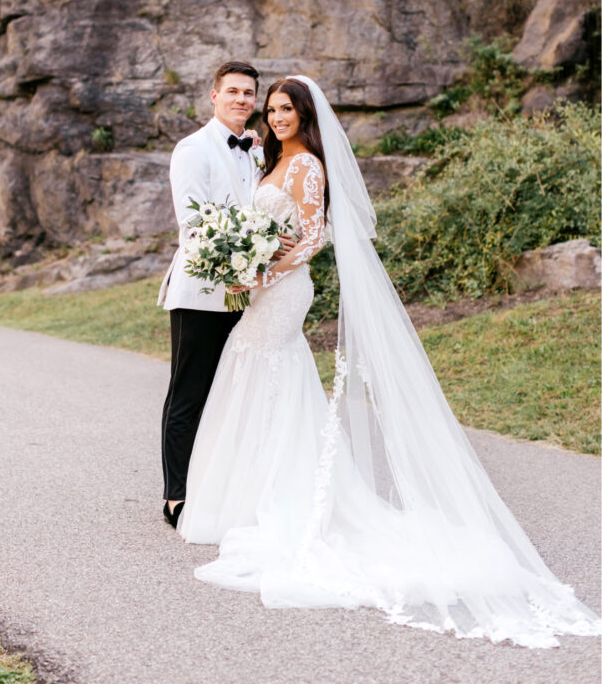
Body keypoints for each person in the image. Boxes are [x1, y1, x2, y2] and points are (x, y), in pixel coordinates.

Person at [177, 75, 602, 649]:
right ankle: (248, 492)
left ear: (305, 115)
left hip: (281, 289)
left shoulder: (306, 168)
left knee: (270, 369)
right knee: (253, 369)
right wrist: (244, 265)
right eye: (271, 109)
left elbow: (309, 238)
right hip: (262, 289)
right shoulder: (270, 162)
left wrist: (258, 273)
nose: (275, 117)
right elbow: (266, 231)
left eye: (285, 109)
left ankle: (281, 496)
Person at [158, 60, 265, 529]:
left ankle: (220, 489)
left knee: (233, 394)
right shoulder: (192, 148)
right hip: (200, 291)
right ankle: (176, 497)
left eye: (249, 93)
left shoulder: (258, 151)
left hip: (248, 294)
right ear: (214, 95)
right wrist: (236, 267)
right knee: (190, 392)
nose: (242, 99)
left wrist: (255, 271)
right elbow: (193, 225)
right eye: (234, 91)